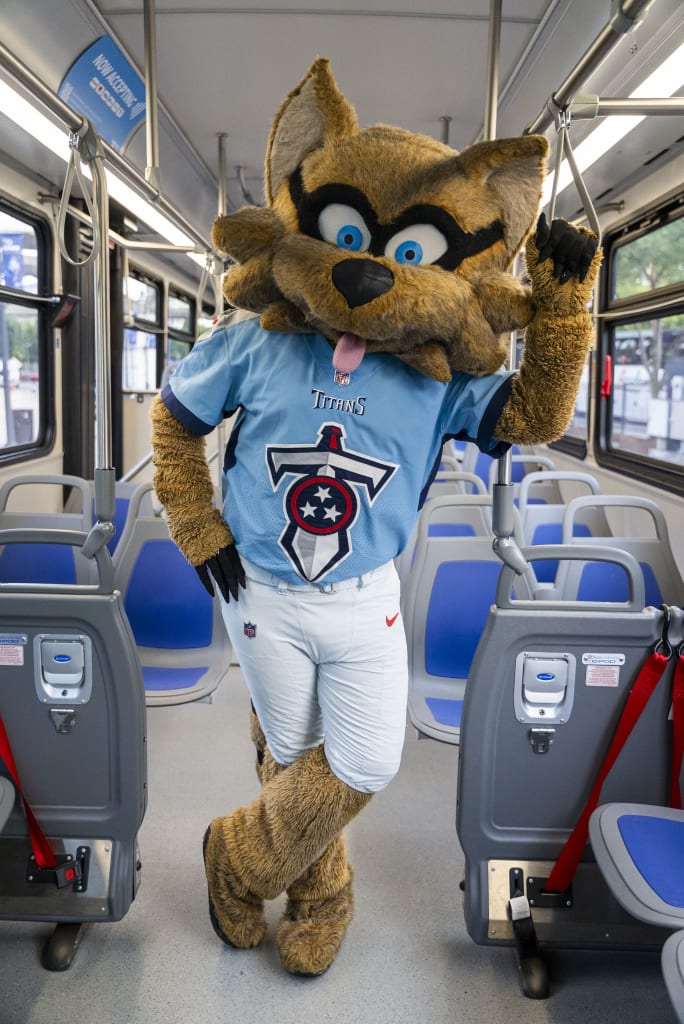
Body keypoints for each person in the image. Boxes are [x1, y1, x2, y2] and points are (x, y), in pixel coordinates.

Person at [150, 57, 599, 977]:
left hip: (366, 593)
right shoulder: (253, 339)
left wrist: (561, 316)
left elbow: (534, 419)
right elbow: (174, 422)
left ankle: (232, 858)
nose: (365, 271)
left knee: (363, 761)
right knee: (291, 749)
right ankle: (325, 894)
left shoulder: (443, 372)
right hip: (263, 589)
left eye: (408, 253)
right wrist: (198, 526)